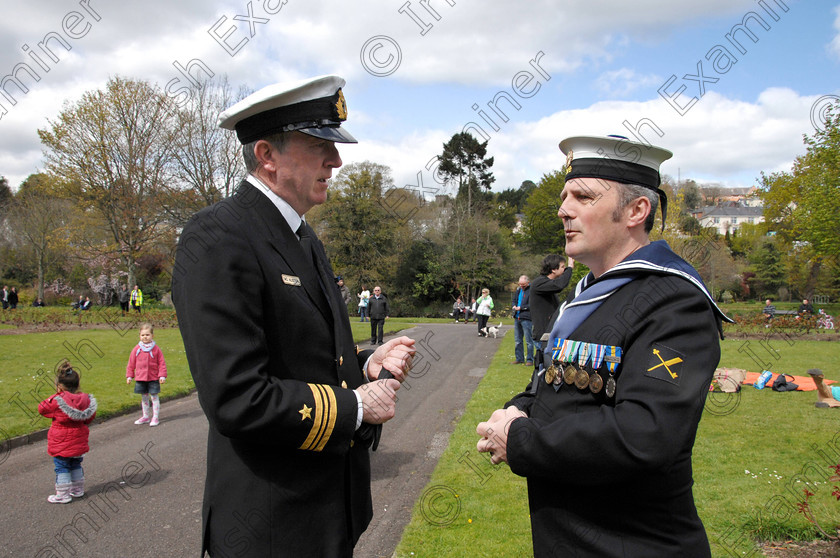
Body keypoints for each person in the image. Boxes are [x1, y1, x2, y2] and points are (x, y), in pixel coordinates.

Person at [171, 75, 416, 557]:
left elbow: (302, 352)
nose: (337, 160)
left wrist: (364, 363)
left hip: (324, 514)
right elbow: (236, 397)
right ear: (266, 155)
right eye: (319, 144)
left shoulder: (302, 236)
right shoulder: (218, 237)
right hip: (270, 527)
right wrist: (357, 407)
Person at [477, 135, 732, 557]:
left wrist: (521, 440)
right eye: (564, 196)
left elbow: (645, 435)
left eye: (583, 196)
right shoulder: (589, 293)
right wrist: (516, 410)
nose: (563, 209)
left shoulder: (674, 300)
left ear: (636, 211)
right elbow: (562, 386)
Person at [38, 362, 97, 503]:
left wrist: (55, 395)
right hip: (79, 439)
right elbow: (89, 418)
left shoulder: (57, 401)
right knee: (76, 463)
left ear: (59, 386)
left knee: (62, 466)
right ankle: (77, 489)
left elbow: (42, 408)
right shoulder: (85, 399)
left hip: (61, 441)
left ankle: (63, 494)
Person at [530, 254, 574, 372]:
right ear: (553, 269)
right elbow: (560, 285)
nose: (564, 269)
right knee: (546, 370)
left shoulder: (546, 285)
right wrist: (570, 267)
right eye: (562, 267)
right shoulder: (539, 283)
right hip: (543, 335)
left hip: (548, 334)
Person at [126, 322, 167, 427]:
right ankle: (145, 416)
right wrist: (129, 376)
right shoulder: (137, 349)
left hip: (153, 377)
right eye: (143, 335)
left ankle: (155, 417)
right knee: (144, 397)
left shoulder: (156, 349)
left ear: (152, 336)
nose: (145, 337)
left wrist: (162, 375)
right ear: (139, 336)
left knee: (154, 396)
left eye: (147, 335)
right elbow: (131, 363)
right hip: (141, 378)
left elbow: (161, 362)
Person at [510, 275, 535, 365]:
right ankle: (519, 358)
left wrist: (521, 308)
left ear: (528, 282)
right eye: (520, 284)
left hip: (526, 318)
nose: (521, 286)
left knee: (529, 341)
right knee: (518, 340)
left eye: (523, 284)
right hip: (517, 317)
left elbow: (532, 304)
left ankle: (529, 359)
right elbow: (514, 300)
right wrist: (514, 305)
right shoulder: (518, 290)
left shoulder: (532, 291)